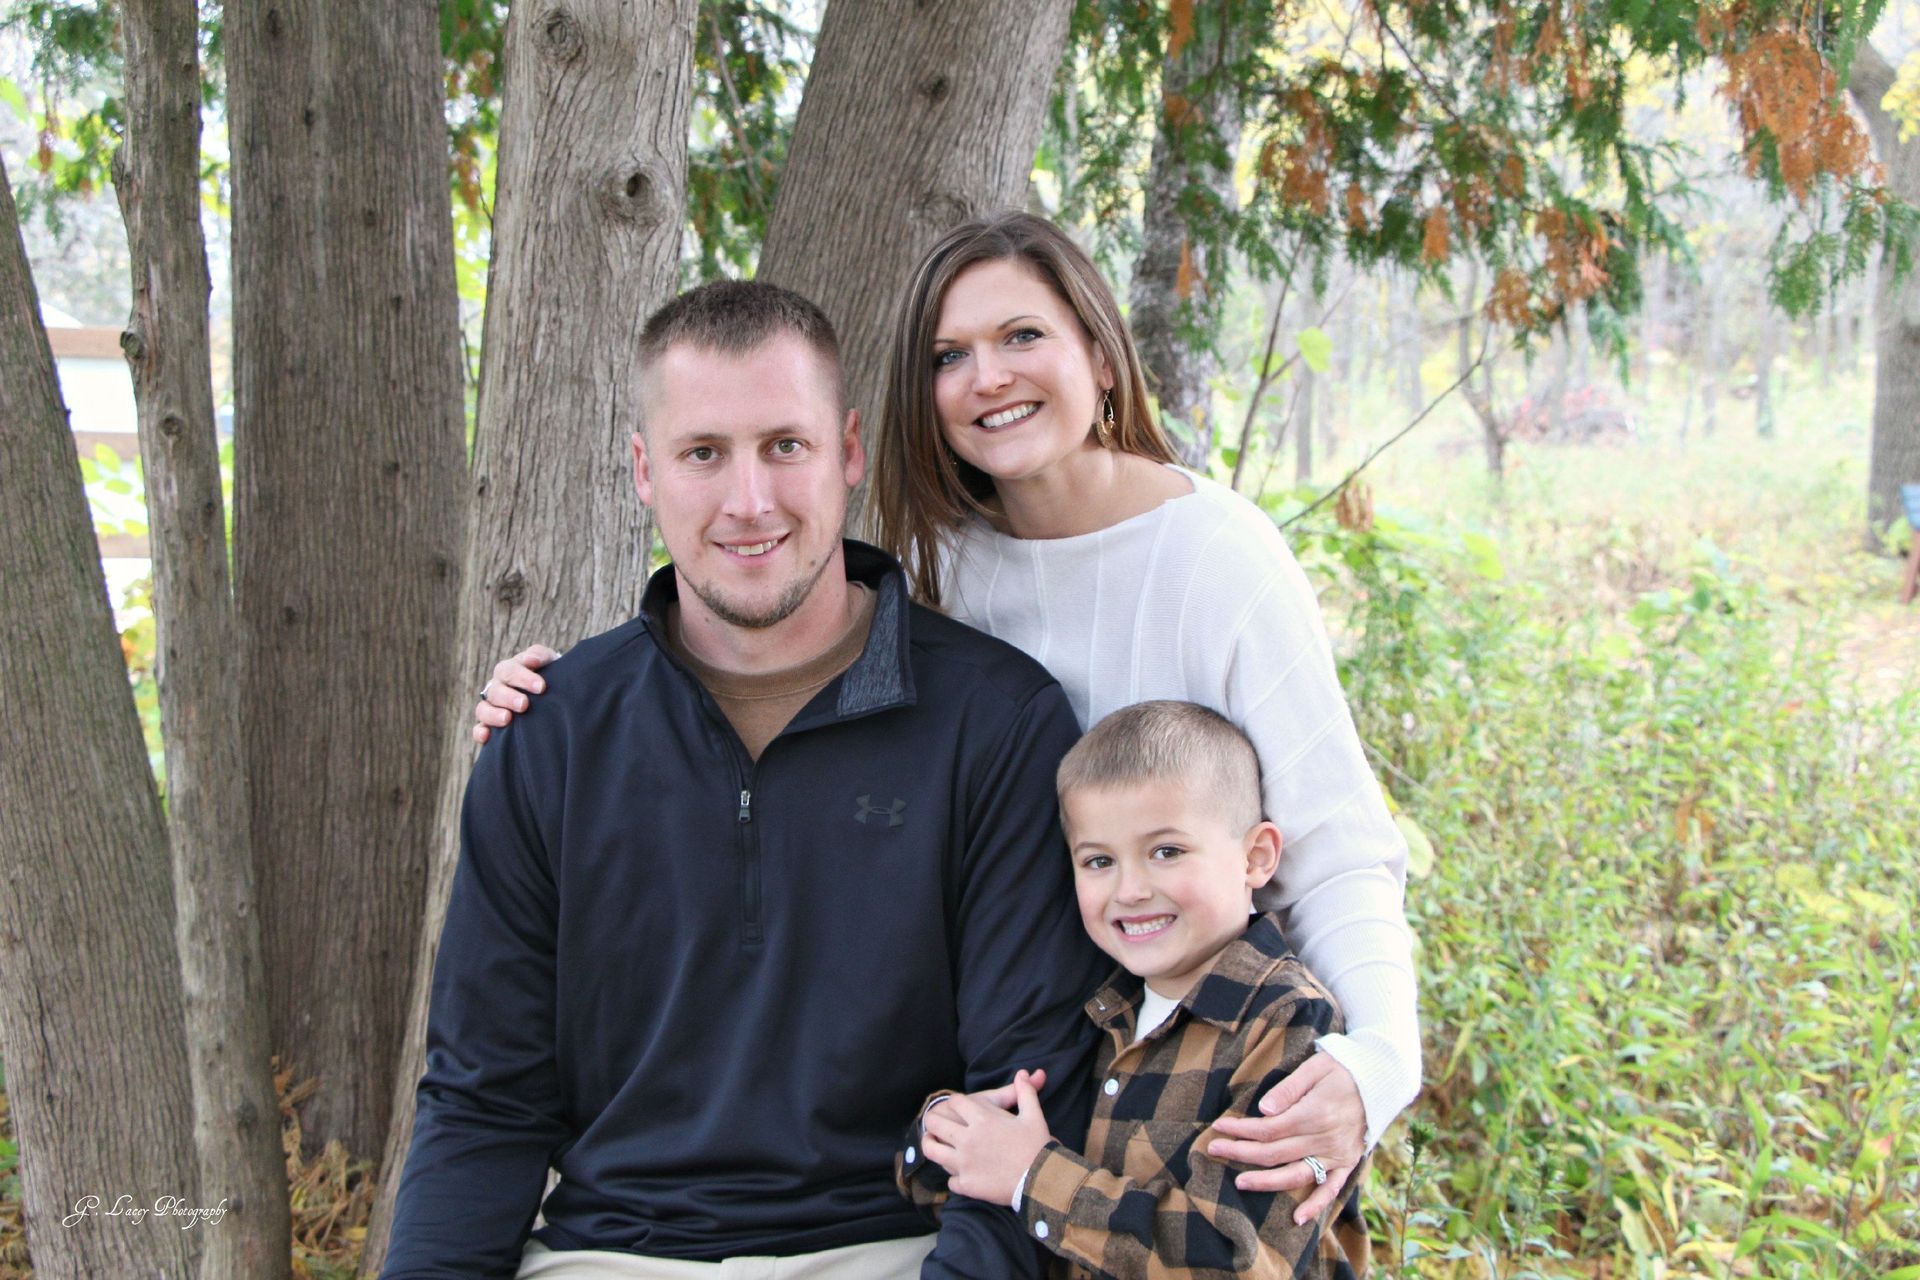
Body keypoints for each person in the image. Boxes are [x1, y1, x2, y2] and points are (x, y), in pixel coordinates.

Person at [475, 212, 1421, 1216]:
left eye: (1022, 336)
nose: (988, 376)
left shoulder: (1219, 557)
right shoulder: (940, 570)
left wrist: (1375, 1066)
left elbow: (1338, 849)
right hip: (1039, 1067)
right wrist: (557, 701)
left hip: (1201, 1058)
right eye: (949, 354)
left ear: (1099, 355)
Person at [383, 279, 1112, 1279]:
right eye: (703, 454)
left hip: (895, 1246)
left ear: (847, 451)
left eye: (786, 445)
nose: (749, 501)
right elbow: (483, 1097)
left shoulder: (994, 722)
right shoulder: (552, 735)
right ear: (646, 469)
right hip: (611, 1255)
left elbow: (1030, 1086)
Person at [898, 701, 1369, 1279]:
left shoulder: (1286, 1022)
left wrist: (1032, 1175)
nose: (1131, 889)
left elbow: (1234, 1261)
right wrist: (945, 1134)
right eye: (1098, 861)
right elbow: (968, 1199)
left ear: (1256, 856)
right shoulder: (1097, 1007)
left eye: (1166, 852)